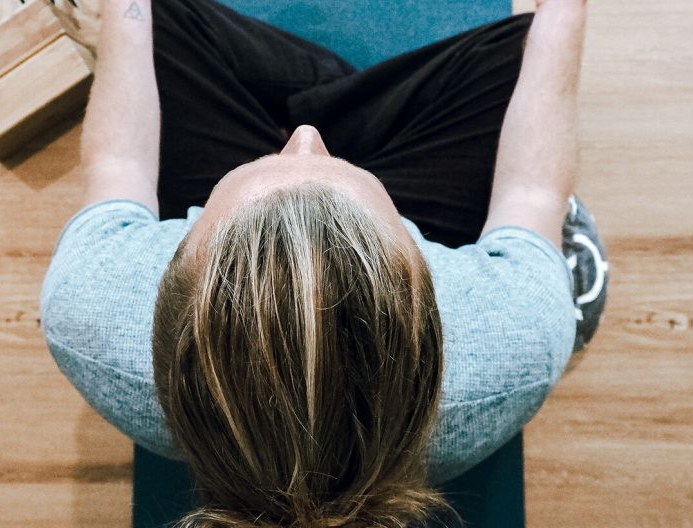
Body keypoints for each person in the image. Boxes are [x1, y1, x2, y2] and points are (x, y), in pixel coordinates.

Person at [41, 0, 590, 526]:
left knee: (149, 18)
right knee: (525, 53)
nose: (307, 141)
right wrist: (567, 7)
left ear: (172, 258)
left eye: (283, 158)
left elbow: (119, 162)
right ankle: (346, 99)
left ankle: (322, 92)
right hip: (429, 189)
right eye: (331, 162)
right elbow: (533, 193)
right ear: (430, 274)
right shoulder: (511, 340)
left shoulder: (95, 304)